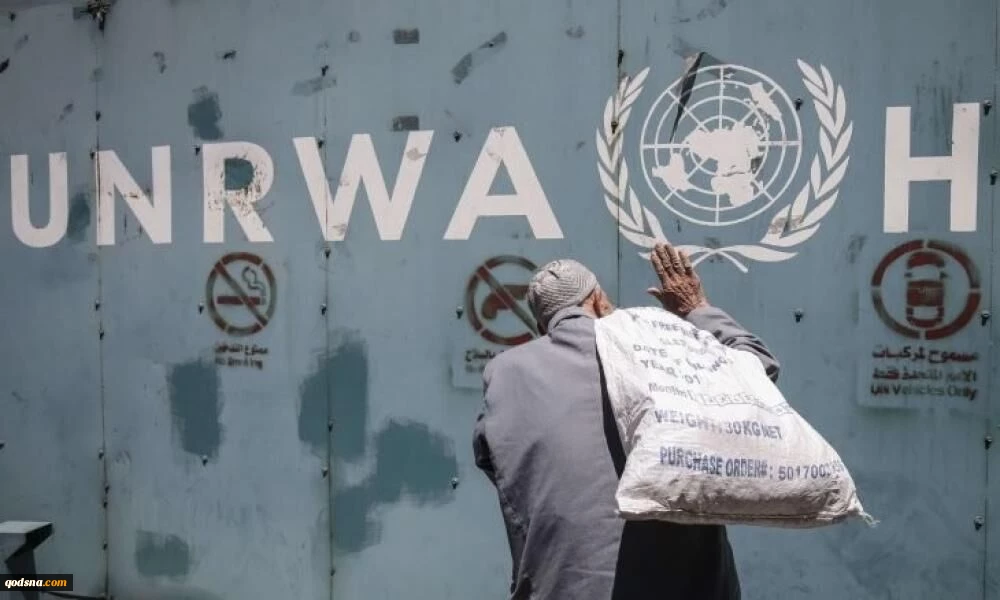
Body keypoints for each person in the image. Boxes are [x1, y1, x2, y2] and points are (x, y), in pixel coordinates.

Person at [472, 243, 780, 600]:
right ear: (598, 300)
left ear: (544, 325)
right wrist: (696, 308)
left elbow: (491, 457)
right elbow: (759, 371)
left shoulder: (505, 373)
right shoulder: (659, 349)